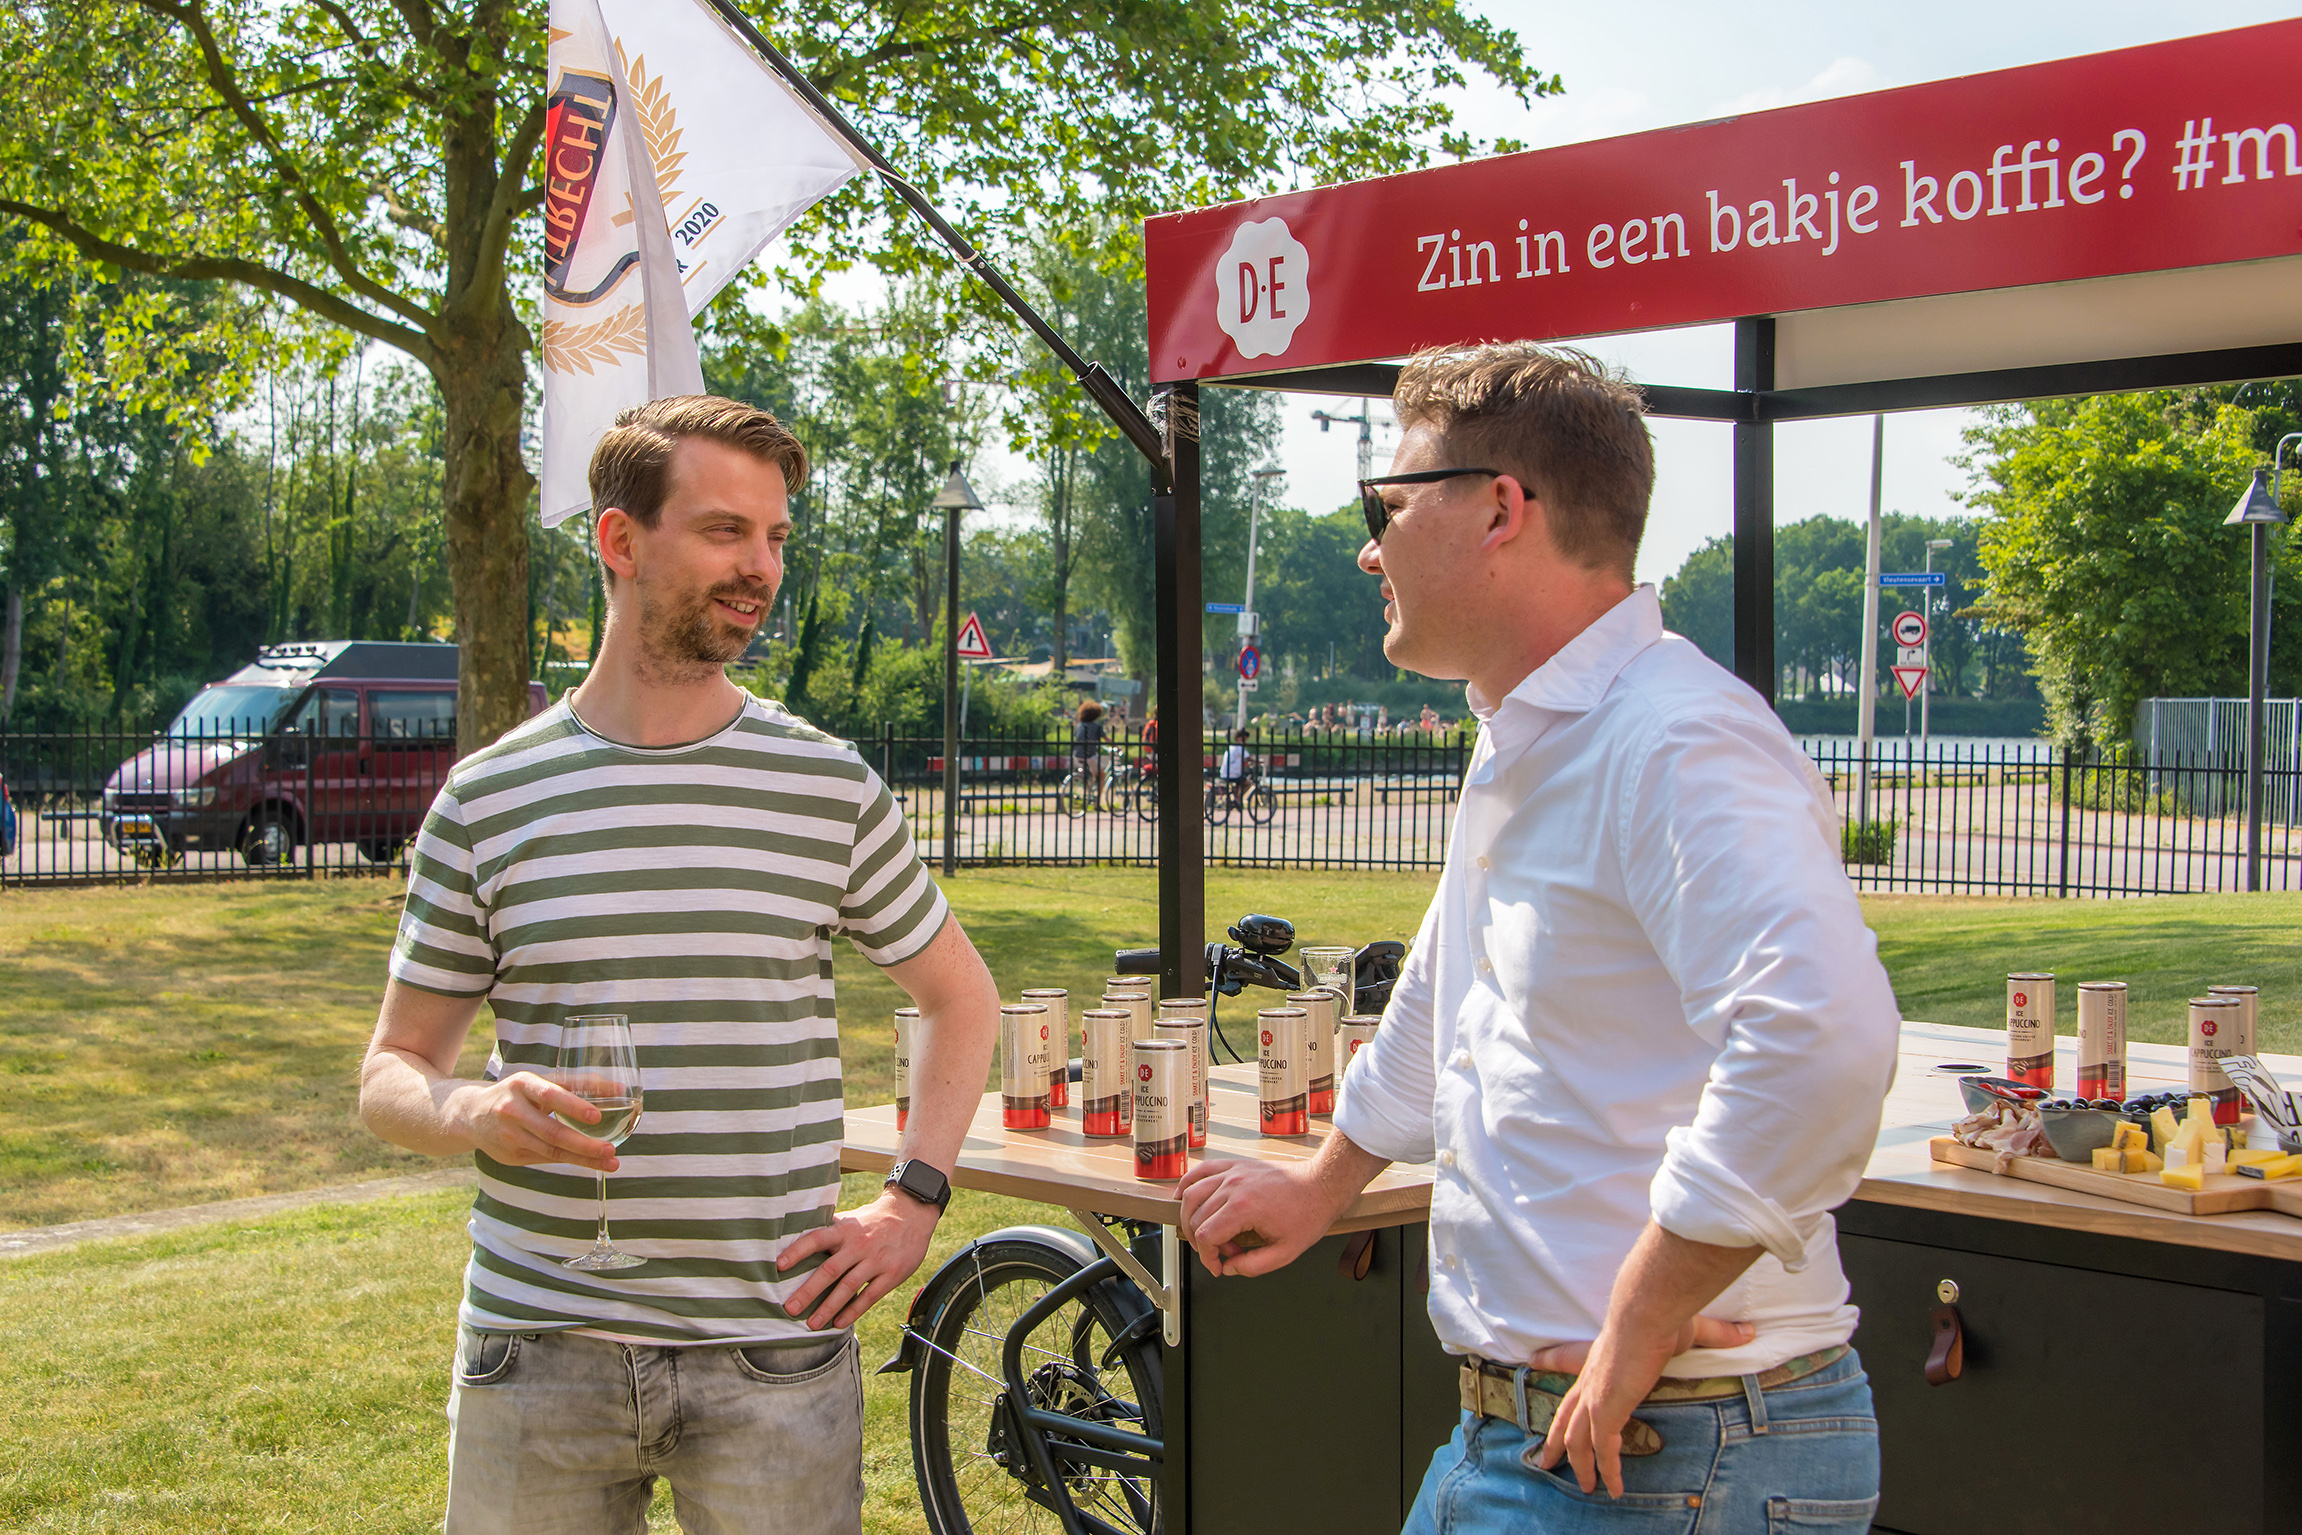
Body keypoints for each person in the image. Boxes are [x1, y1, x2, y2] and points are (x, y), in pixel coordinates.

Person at [1178, 344, 1900, 1529]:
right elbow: (1450, 988)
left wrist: (1641, 1317)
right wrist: (1322, 1183)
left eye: (1388, 504)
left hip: (1671, 1443)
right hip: (1551, 1434)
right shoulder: (1531, 729)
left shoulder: (1673, 739)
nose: (1370, 546)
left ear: (1502, 509)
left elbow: (1819, 1039)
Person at [357, 395, 1001, 1534]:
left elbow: (962, 997)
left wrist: (910, 1199)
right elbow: (394, 1069)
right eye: (724, 531)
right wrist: (471, 1107)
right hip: (536, 1346)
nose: (761, 567)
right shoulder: (488, 798)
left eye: (776, 537)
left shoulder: (824, 784)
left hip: (771, 1352)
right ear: (619, 540)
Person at [1073, 699, 1107, 801]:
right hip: (1089, 755)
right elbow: (1106, 739)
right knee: (1102, 775)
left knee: (1090, 772)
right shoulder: (1096, 727)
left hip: (1077, 754)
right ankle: (1097, 801)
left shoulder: (1080, 725)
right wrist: (1117, 746)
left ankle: (1089, 792)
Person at [1217, 726, 1249, 810]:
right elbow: (1248, 758)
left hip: (1224, 773)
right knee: (1247, 783)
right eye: (1244, 739)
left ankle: (1235, 799)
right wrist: (1258, 762)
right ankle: (1237, 798)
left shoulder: (1231, 747)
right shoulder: (1239, 748)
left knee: (1237, 783)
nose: (1245, 741)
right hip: (1233, 774)